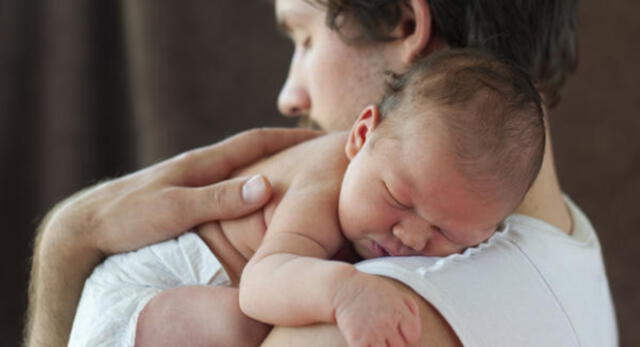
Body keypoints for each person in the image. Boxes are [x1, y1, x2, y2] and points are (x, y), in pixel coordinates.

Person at [25, 0, 618, 346]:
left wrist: (68, 244)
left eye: (306, 37)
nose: (290, 95)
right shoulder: (569, 243)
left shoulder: (371, 320)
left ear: (408, 25)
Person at [67, 49, 546, 347]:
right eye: (398, 198)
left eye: (449, 233)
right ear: (361, 136)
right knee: (248, 326)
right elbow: (261, 283)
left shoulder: (400, 175)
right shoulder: (325, 183)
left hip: (187, 304)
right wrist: (343, 291)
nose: (411, 236)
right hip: (137, 299)